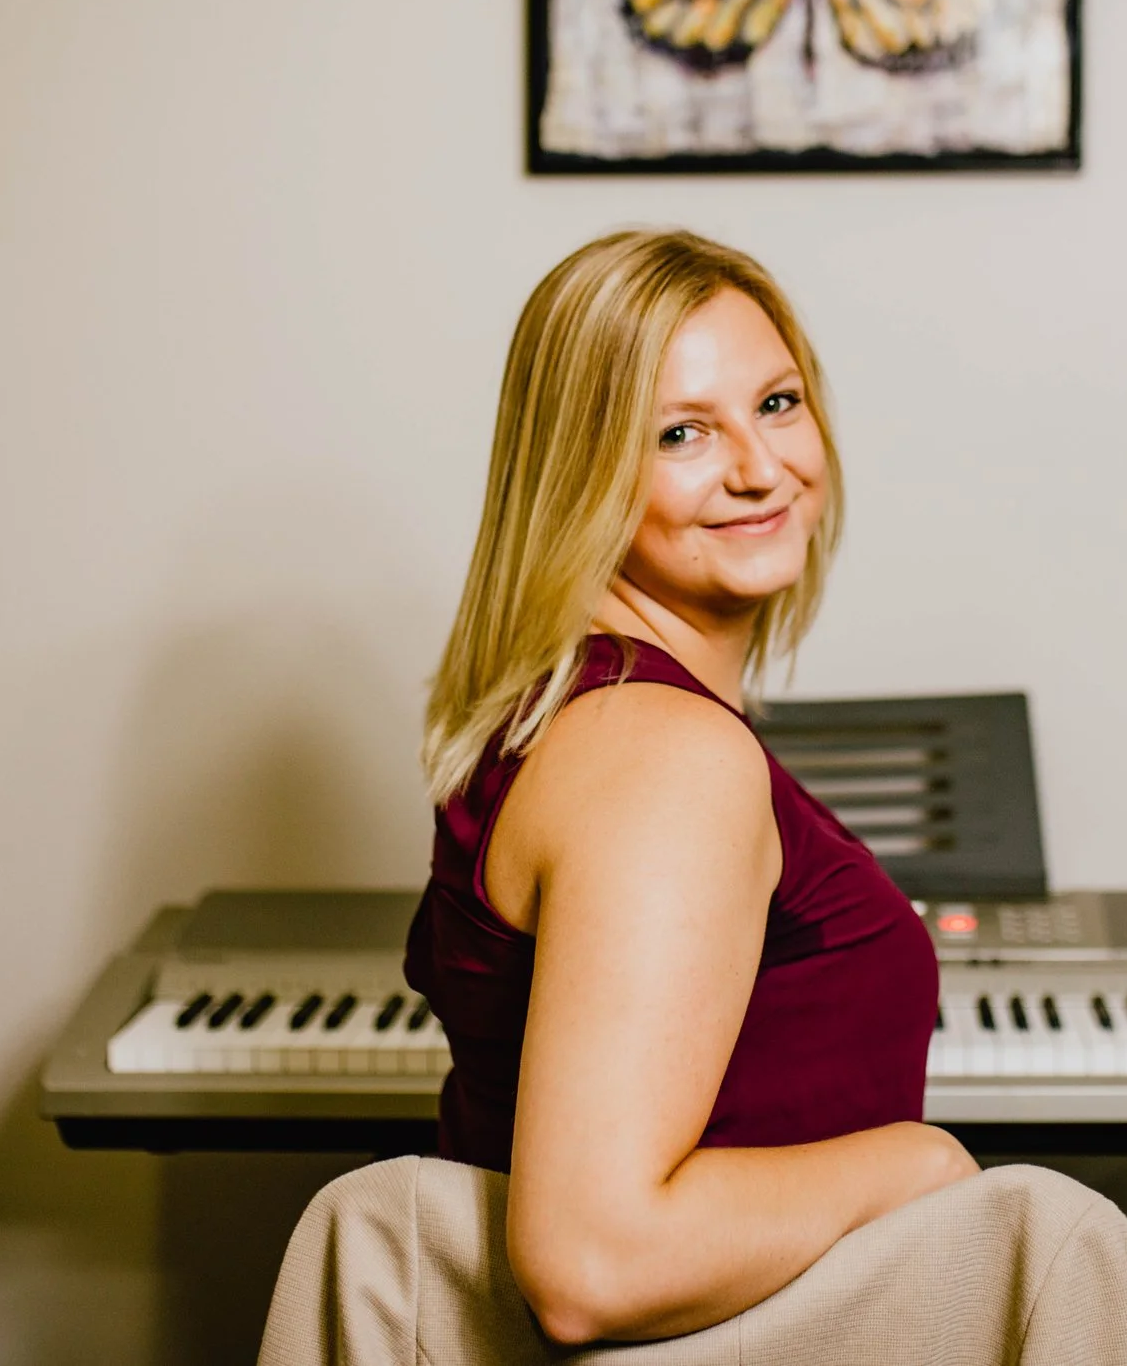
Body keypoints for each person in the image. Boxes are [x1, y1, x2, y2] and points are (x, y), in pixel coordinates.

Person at [405, 229, 980, 1345]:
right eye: (681, 432)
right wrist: (922, 1163)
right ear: (581, 469)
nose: (761, 468)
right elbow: (591, 1264)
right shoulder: (663, 757)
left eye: (776, 403)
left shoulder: (593, 713)